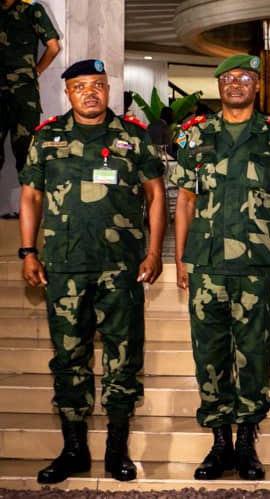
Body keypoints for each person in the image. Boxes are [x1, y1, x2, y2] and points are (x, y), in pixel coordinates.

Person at [18, 58, 166, 483]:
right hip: (65, 268)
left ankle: (117, 451)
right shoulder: (47, 137)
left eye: (97, 85)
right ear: (68, 93)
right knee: (69, 359)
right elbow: (31, 196)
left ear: (107, 89)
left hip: (121, 269)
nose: (90, 92)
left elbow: (156, 196)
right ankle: (74, 450)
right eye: (80, 86)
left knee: (123, 358)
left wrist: (154, 252)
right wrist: (28, 252)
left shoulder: (133, 137)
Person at [171, 53, 270, 481]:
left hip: (255, 265)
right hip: (207, 264)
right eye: (228, 78)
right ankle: (219, 443)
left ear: (256, 85)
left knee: (254, 354)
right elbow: (185, 201)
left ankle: (246, 441)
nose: (235, 84)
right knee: (209, 354)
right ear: (218, 85)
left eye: (244, 78)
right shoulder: (195, 135)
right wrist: (180, 258)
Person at [0, 0, 62, 179]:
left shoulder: (32, 9)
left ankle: (30, 199)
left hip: (23, 95)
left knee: (26, 154)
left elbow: (54, 47)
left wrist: (37, 71)